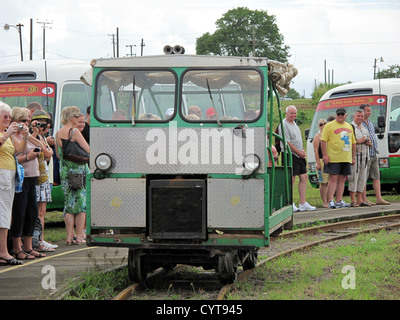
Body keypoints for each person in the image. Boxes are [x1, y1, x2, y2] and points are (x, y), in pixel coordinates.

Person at [10, 107, 46, 260]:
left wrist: (32, 133)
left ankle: (29, 246)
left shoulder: (27, 135)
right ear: (15, 122)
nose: (26, 123)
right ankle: (17, 247)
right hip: (21, 178)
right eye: (23, 121)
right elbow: (13, 159)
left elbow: (42, 147)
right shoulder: (12, 137)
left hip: (33, 177)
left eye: (28, 120)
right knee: (20, 212)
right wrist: (28, 157)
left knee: (32, 213)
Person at [55, 106, 90, 245]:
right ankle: (80, 235)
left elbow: (58, 155)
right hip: (78, 170)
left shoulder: (58, 133)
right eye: (76, 117)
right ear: (71, 118)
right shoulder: (74, 131)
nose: (78, 119)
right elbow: (87, 150)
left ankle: (69, 236)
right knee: (81, 204)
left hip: (65, 171)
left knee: (68, 204)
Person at [0, 103, 29, 265]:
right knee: (3, 213)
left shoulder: (7, 133)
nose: (8, 119)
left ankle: (4, 250)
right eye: (4, 116)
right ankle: (3, 252)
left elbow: (21, 150)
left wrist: (24, 135)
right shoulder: (5, 134)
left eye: (9, 116)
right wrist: (7, 134)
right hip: (1, 174)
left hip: (9, 176)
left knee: (6, 213)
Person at [280, 105, 315, 211]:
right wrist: (298, 152)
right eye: (291, 113)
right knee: (292, 178)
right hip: (290, 154)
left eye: (295, 113)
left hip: (299, 154)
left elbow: (298, 140)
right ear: (286, 114)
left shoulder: (295, 123)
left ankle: (302, 202)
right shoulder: (283, 124)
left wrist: (302, 151)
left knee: (304, 177)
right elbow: (287, 143)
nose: (293, 115)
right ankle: (290, 203)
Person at [321, 107, 356, 209]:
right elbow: (323, 140)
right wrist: (325, 155)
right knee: (333, 178)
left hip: (346, 156)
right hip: (333, 157)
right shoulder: (329, 126)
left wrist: (353, 157)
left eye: (342, 114)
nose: (340, 116)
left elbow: (353, 142)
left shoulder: (349, 126)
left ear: (345, 115)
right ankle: (330, 200)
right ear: (336, 115)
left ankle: (339, 200)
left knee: (342, 179)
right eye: (338, 114)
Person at [31, 109, 56, 252]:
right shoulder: (36, 137)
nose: (44, 126)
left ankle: (41, 238)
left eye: (45, 123)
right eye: (40, 123)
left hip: (45, 177)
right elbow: (47, 153)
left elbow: (48, 155)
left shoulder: (43, 137)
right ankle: (38, 240)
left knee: (42, 211)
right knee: (39, 211)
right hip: (39, 179)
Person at [360, 104, 390, 205]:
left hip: (373, 153)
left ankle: (379, 198)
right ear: (362, 112)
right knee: (364, 177)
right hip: (365, 155)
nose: (370, 112)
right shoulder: (360, 124)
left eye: (370, 110)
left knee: (376, 176)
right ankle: (364, 199)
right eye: (368, 111)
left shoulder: (370, 123)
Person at [348, 109, 371, 207]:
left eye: (362, 116)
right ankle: (353, 200)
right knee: (354, 177)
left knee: (362, 178)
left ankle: (360, 200)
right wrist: (359, 141)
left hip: (365, 157)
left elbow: (369, 141)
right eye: (358, 116)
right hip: (355, 157)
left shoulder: (364, 128)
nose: (360, 118)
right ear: (354, 117)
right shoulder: (350, 127)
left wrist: (369, 143)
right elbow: (348, 142)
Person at [313, 118, 329, 208]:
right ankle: (324, 201)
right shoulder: (317, 136)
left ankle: (329, 199)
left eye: (325, 124)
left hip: (329, 161)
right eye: (321, 124)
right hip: (321, 160)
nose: (323, 126)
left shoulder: (328, 135)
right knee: (323, 182)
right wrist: (318, 163)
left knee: (330, 182)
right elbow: (315, 150)